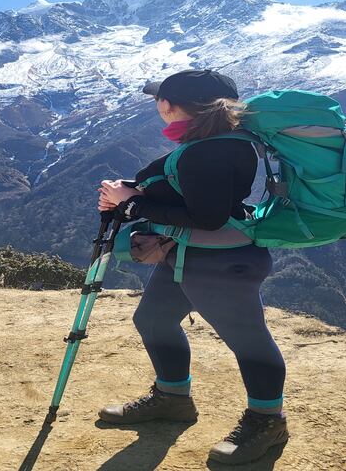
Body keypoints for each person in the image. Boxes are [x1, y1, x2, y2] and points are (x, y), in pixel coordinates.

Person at [96, 69, 289, 466]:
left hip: (219, 262)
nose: (157, 107)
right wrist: (131, 189)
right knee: (153, 320)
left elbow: (209, 216)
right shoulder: (211, 141)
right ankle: (172, 399)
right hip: (187, 255)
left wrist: (131, 205)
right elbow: (182, 185)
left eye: (159, 101)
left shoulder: (210, 151)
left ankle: (267, 421)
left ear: (169, 106)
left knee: (248, 340)